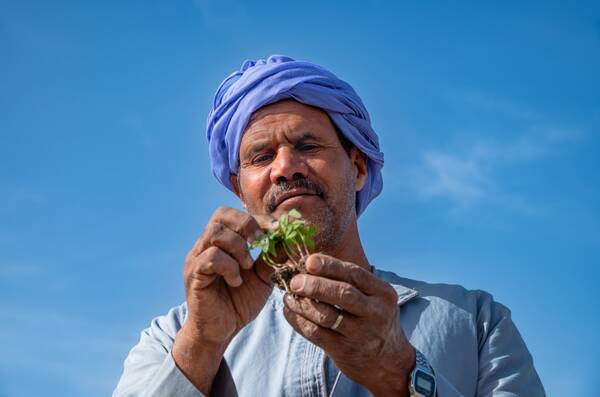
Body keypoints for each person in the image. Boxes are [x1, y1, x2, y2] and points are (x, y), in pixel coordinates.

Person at [113, 55, 546, 397]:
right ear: (240, 191)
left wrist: (398, 371)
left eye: (307, 145)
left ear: (357, 167)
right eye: (261, 157)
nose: (285, 167)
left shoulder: (474, 323)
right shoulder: (173, 337)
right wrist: (203, 344)